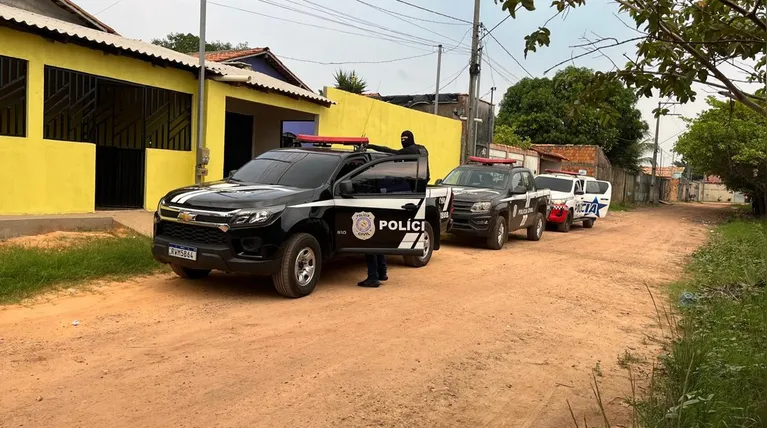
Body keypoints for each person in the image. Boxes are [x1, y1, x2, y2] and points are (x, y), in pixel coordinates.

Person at [357, 130, 430, 288]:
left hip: (396, 200)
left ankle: (373, 277)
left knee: (369, 238)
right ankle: (382, 272)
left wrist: (371, 146)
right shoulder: (421, 152)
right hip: (408, 198)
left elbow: (391, 151)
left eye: (404, 139)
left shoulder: (408, 153)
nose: (403, 141)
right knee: (380, 238)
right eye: (402, 139)